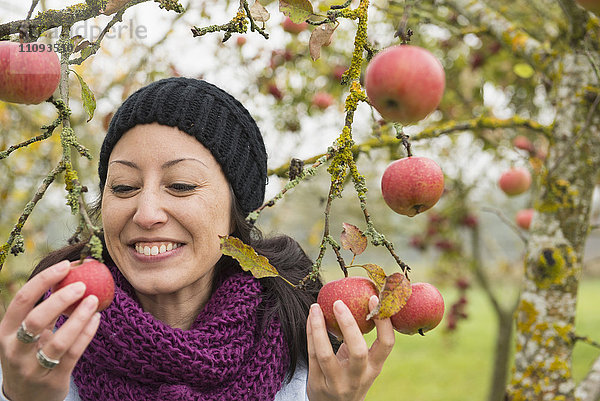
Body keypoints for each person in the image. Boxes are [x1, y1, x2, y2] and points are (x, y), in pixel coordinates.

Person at [0, 77, 395, 401]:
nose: (146, 212)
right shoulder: (36, 357)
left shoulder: (307, 365)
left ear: (235, 210)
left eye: (182, 185)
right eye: (123, 187)